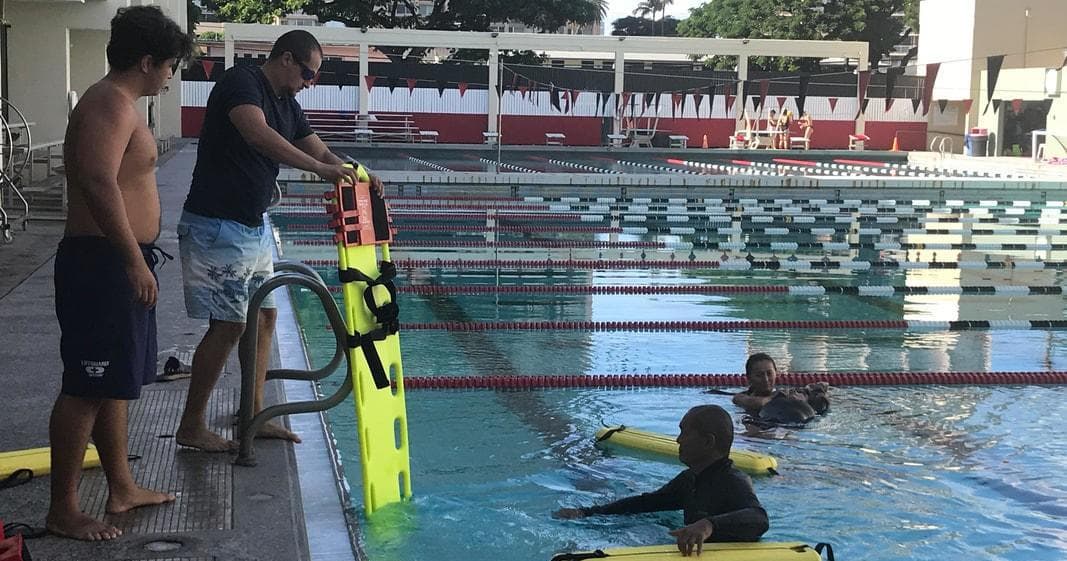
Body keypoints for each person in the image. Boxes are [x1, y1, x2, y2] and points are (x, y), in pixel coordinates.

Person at [176, 30, 367, 452]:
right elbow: (257, 135)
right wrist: (319, 171)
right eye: (308, 74)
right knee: (228, 325)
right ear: (286, 59)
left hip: (253, 226)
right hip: (217, 225)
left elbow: (322, 153)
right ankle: (191, 426)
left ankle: (254, 414)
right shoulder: (242, 82)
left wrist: (361, 176)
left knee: (263, 317)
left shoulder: (288, 105)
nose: (309, 84)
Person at [47, 6, 192, 540]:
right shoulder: (109, 102)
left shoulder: (119, 103)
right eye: (171, 65)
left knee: (111, 382)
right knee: (86, 386)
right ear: (147, 61)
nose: (171, 76)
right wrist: (132, 259)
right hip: (101, 262)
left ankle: (122, 487)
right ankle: (63, 509)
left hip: (112, 259)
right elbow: (98, 181)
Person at [554, 405, 769, 556]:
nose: (678, 440)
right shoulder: (690, 479)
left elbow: (759, 518)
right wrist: (587, 513)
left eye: (684, 432)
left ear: (707, 442)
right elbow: (647, 502)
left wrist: (708, 525)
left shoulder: (733, 481)